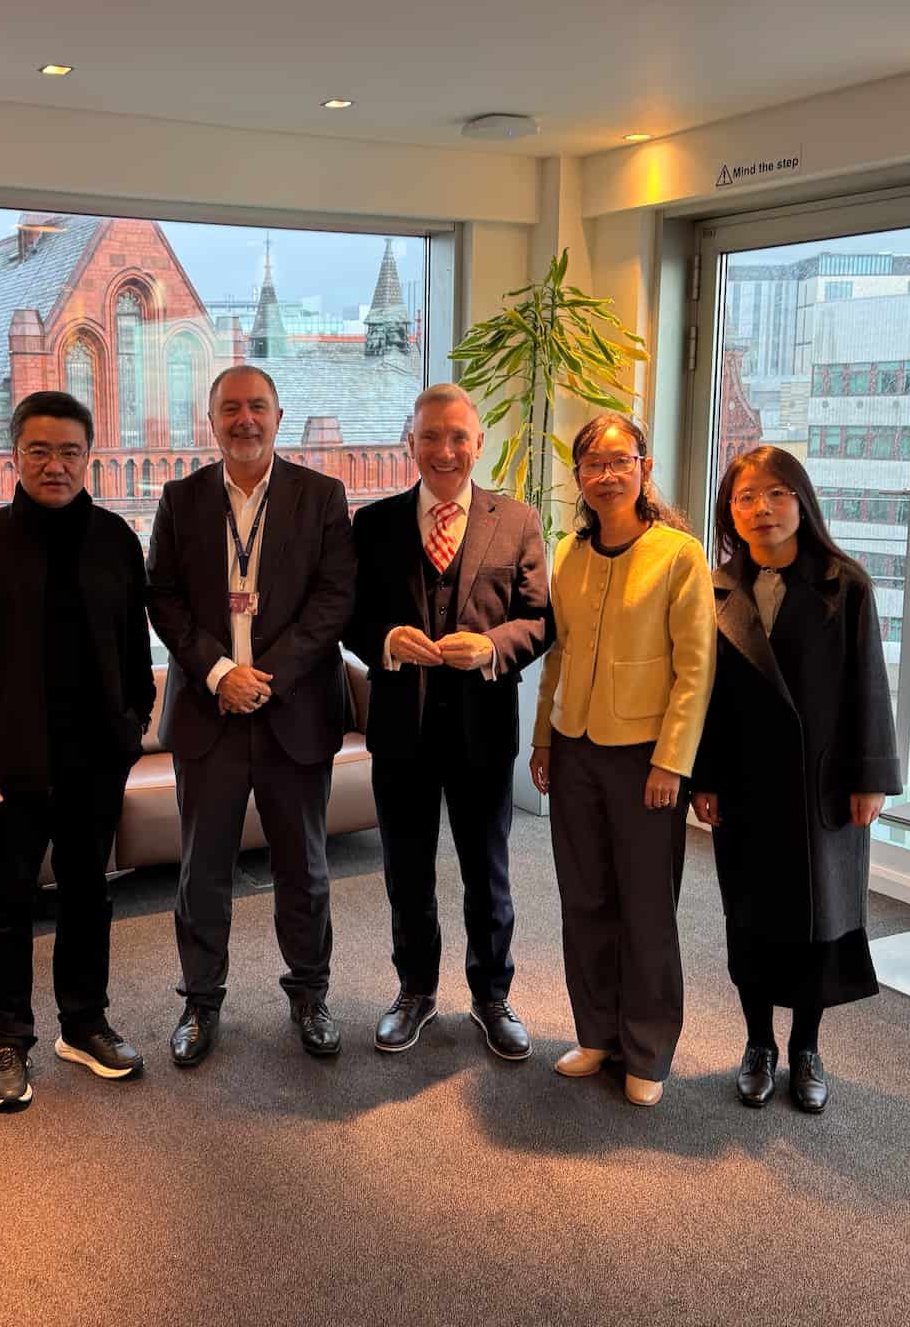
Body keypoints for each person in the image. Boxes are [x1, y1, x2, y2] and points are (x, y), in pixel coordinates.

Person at [0, 391, 155, 1112]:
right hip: (9, 768)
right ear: (15, 455)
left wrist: (130, 730)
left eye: (69, 452)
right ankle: (8, 1039)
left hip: (96, 763)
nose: (55, 465)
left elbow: (133, 648)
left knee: (91, 895)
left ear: (88, 457)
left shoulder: (118, 541)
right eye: (40, 451)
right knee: (8, 905)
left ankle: (84, 1023)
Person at [147, 365, 356, 1066]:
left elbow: (334, 598)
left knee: (306, 870)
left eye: (257, 407)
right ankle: (201, 1004)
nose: (245, 419)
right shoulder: (180, 500)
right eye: (231, 408)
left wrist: (266, 677)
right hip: (211, 715)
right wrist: (219, 674)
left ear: (279, 415)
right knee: (201, 872)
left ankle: (310, 995)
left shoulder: (321, 496)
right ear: (211, 420)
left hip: (293, 710)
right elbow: (164, 600)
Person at [690, 446, 902, 1114]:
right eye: (747, 497)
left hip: (823, 787)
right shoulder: (714, 589)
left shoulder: (847, 585)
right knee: (749, 920)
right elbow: (705, 695)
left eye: (777, 494)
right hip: (746, 784)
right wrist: (706, 777)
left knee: (819, 921)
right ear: (730, 511)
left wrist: (871, 778)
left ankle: (806, 1046)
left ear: (802, 502)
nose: (762, 510)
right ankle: (759, 1044)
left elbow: (870, 688)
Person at [346, 383, 550, 1058]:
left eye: (458, 436)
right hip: (401, 729)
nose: (444, 450)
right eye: (430, 436)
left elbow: (540, 618)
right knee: (406, 871)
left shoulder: (516, 521)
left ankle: (493, 996)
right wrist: (383, 640)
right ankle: (416, 992)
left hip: (482, 729)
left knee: (487, 871)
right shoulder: (372, 523)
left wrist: (492, 647)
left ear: (478, 445)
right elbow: (348, 615)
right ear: (410, 444)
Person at [529, 410, 715, 1107]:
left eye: (619, 461)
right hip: (574, 749)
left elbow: (696, 670)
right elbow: (559, 657)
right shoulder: (571, 555)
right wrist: (544, 741)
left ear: (644, 467)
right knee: (585, 899)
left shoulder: (677, 554)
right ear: (578, 477)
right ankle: (597, 1034)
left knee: (646, 909)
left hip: (645, 760)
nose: (607, 475)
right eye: (593, 464)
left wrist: (674, 761)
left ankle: (648, 1051)